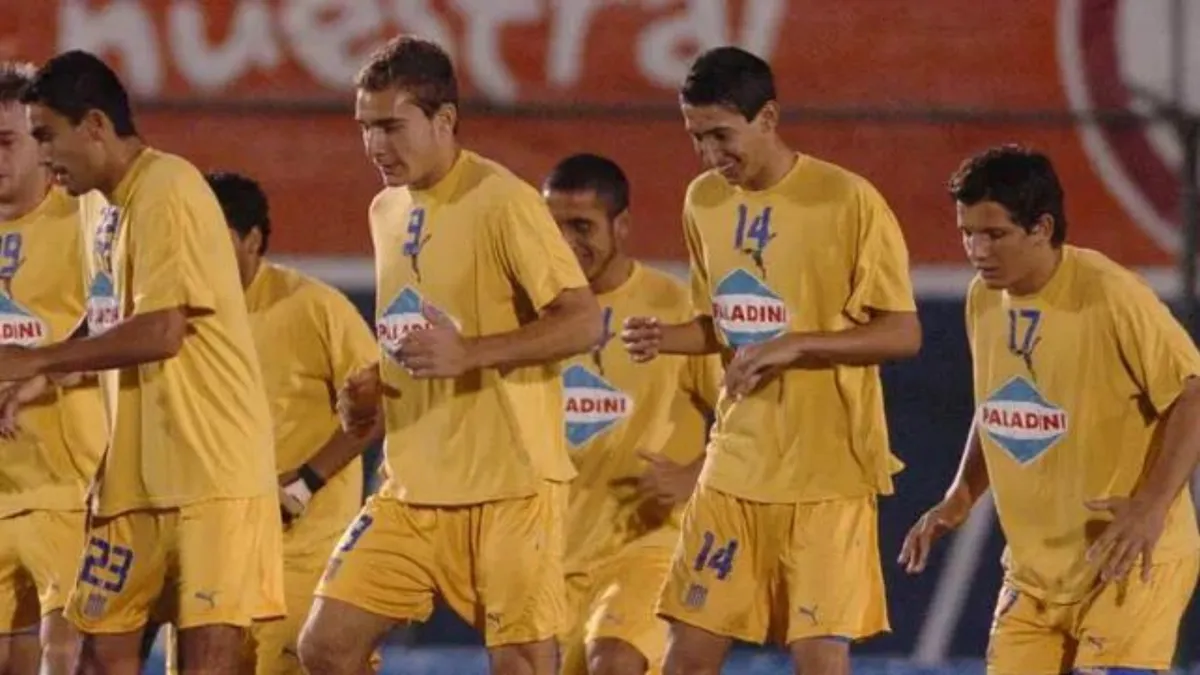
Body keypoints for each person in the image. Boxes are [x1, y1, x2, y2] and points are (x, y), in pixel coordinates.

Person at [296, 36, 603, 675]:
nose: (375, 145)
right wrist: (371, 383)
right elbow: (420, 325)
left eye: (390, 126)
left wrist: (473, 354)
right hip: (410, 488)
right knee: (325, 648)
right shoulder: (386, 209)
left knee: (520, 661)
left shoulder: (502, 200)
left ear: (444, 120)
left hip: (511, 488)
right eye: (364, 128)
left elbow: (582, 321)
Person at [621, 46, 921, 675]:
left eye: (721, 136)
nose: (708, 154)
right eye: (696, 138)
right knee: (687, 656)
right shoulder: (703, 201)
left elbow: (901, 333)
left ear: (769, 117)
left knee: (817, 659)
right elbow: (726, 325)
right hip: (735, 467)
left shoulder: (846, 200)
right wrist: (667, 337)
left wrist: (800, 343)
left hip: (827, 473)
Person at [4, 50, 285, 675]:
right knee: (96, 660)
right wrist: (43, 375)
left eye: (47, 136)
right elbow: (107, 316)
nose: (41, 155)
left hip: (211, 478)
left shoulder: (169, 188)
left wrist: (37, 357)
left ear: (96, 125)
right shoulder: (93, 204)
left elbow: (162, 330)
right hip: (131, 480)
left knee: (208, 663)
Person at [899, 145, 1200, 675]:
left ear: (1040, 227)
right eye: (967, 232)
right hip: (1035, 578)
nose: (976, 249)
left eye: (994, 234)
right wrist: (960, 496)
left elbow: (1192, 392)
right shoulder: (983, 298)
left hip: (1125, 563)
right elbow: (998, 403)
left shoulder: (1111, 295)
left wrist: (1152, 506)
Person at [542, 153, 720, 675]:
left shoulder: (677, 310)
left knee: (615, 662)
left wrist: (695, 474)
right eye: (552, 228)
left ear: (621, 226)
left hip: (651, 546)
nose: (566, 243)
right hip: (553, 560)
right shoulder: (526, 317)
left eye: (582, 226)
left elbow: (754, 414)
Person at [0, 60, 106, 675]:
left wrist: (43, 370)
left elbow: (123, 320)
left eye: (7, 141)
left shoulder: (82, 221)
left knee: (68, 657)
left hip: (70, 490)